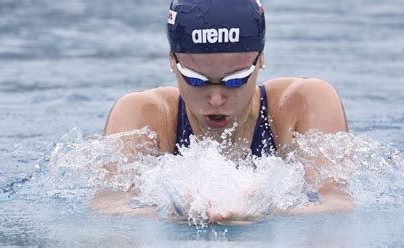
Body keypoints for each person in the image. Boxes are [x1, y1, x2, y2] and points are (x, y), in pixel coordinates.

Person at [92, 0, 353, 223]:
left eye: (236, 80)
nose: (216, 99)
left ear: (260, 59)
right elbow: (107, 208)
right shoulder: (145, 115)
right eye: (196, 80)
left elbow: (338, 206)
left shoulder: (302, 103)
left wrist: (261, 208)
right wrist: (175, 212)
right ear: (172, 61)